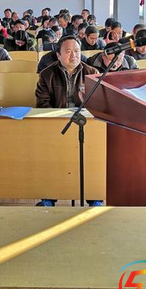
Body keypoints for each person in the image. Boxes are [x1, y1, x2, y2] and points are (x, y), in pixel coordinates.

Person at [35, 36, 101, 207]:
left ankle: (94, 197)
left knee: (94, 157)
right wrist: (57, 120)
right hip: (57, 126)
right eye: (68, 51)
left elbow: (98, 105)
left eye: (77, 51)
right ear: (58, 54)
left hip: (85, 126)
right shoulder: (47, 75)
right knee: (52, 157)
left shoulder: (92, 73)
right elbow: (42, 104)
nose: (74, 55)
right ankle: (48, 198)